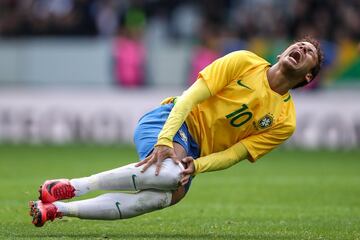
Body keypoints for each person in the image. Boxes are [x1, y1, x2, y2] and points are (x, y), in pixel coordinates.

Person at [29, 36, 323, 227]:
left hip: (194, 153)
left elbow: (236, 153)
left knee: (161, 198)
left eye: (309, 51)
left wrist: (197, 165)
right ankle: (72, 186)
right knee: (168, 176)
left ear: (308, 76)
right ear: (284, 50)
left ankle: (57, 211)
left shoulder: (284, 120)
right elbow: (189, 97)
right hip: (170, 121)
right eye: (298, 44)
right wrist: (165, 139)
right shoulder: (244, 62)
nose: (300, 48)